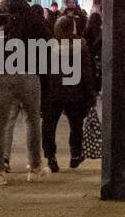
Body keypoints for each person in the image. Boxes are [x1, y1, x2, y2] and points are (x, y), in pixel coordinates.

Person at [0, 0, 51, 185]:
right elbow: (48, 41)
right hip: (27, 71)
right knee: (32, 118)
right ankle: (34, 167)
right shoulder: (32, 15)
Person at [42, 12, 99, 171]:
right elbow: (86, 73)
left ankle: (51, 157)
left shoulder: (50, 46)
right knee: (76, 125)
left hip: (53, 92)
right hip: (75, 92)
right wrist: (90, 94)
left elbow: (44, 71)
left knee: (49, 126)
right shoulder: (81, 46)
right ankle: (75, 155)